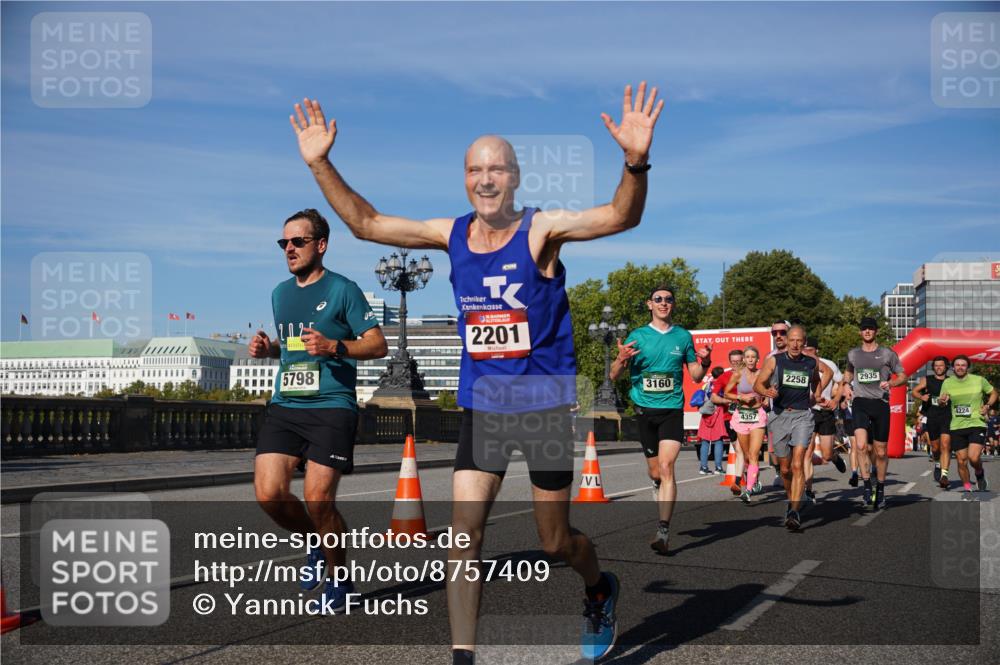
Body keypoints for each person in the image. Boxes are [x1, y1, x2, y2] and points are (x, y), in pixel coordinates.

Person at [290, 82, 665, 663]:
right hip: (484, 404)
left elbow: (620, 216)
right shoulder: (451, 233)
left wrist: (634, 161)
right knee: (463, 540)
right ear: (465, 178)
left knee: (555, 540)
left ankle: (597, 587)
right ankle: (463, 655)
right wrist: (321, 163)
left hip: (541, 403)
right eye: (474, 170)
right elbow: (366, 223)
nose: (485, 179)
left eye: (497, 169)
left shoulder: (542, 229)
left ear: (514, 178)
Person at [251, 208, 388, 611]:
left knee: (318, 500)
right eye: (284, 243)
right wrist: (269, 350)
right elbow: (294, 347)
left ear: (321, 245)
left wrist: (335, 346)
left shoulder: (344, 289)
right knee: (269, 494)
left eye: (297, 242)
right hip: (286, 404)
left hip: (331, 406)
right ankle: (315, 541)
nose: (289, 249)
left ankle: (340, 580)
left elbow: (378, 345)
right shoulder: (280, 293)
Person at [611, 285, 712, 555]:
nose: (663, 303)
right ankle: (656, 483)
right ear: (649, 304)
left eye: (668, 300)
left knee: (667, 467)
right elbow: (613, 376)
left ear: (673, 305)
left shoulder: (683, 336)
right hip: (645, 411)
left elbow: (696, 376)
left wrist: (706, 360)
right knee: (655, 472)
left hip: (672, 410)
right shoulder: (638, 336)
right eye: (658, 299)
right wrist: (621, 359)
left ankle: (663, 531)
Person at [754, 325, 832, 530]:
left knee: (798, 463)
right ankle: (793, 500)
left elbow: (821, 377)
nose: (796, 345)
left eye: (800, 341)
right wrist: (766, 391)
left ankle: (794, 511)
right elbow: (758, 384)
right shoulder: (775, 361)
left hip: (802, 416)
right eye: (792, 340)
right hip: (779, 416)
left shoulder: (810, 362)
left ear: (804, 343)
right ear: (787, 342)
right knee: (785, 468)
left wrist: (816, 395)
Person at [840, 316, 908, 510]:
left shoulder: (887, 354)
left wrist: (892, 383)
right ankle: (867, 486)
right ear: (860, 332)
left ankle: (881, 487)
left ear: (876, 331)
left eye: (870, 328)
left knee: (880, 451)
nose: (867, 331)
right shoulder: (853, 354)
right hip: (860, 402)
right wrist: (845, 385)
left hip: (881, 404)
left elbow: (902, 375)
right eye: (864, 329)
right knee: (861, 446)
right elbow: (849, 372)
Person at [939, 355, 998, 500]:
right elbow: (942, 401)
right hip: (957, 426)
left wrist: (987, 405)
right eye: (957, 365)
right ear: (953, 368)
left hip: (976, 423)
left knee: (973, 457)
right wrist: (942, 401)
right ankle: (967, 488)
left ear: (968, 367)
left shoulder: (979, 380)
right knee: (961, 460)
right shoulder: (947, 382)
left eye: (963, 365)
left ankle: (979, 473)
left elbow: (994, 393)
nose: (960, 367)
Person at [802, 337, 846, 503]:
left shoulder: (829, 364)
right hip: (809, 411)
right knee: (808, 451)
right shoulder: (801, 365)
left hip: (826, 412)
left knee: (826, 454)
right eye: (805, 350)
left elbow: (841, 382)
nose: (807, 353)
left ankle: (835, 457)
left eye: (810, 350)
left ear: (817, 351)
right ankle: (809, 489)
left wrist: (835, 400)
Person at [724, 345, 768, 503]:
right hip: (741, 416)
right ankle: (753, 479)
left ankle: (748, 490)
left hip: (757, 416)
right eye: (747, 356)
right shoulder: (738, 374)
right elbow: (727, 392)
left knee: (754, 454)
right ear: (744, 359)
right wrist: (740, 398)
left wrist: (768, 398)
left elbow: (769, 390)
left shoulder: (763, 374)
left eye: (753, 357)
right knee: (747, 456)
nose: (750, 359)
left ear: (757, 359)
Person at [912, 356, 951, 485]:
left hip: (947, 416)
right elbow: (914, 391)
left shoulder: (951, 382)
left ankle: (944, 475)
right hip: (933, 417)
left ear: (946, 367)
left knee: (945, 445)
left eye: (941, 365)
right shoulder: (927, 380)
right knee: (935, 448)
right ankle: (938, 464)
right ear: (933, 367)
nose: (938, 368)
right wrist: (921, 396)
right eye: (936, 365)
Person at [713, 349, 746, 492]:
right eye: (733, 362)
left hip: (750, 417)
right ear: (730, 362)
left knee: (749, 451)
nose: (736, 364)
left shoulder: (752, 375)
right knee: (739, 450)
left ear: (743, 360)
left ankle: (747, 480)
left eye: (739, 361)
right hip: (730, 417)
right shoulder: (724, 377)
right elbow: (713, 397)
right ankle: (739, 482)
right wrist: (726, 401)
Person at [766, 320, 790, 487]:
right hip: (776, 410)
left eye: (782, 332)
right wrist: (765, 395)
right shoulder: (770, 357)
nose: (778, 336)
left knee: (797, 451)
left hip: (799, 410)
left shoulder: (799, 354)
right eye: (775, 333)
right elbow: (763, 381)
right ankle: (779, 472)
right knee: (775, 452)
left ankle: (802, 487)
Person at [696, 367, 728, 475]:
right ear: (722, 375)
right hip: (717, 411)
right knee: (718, 440)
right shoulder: (721, 385)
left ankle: (703, 467)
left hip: (705, 413)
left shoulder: (707, 385)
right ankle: (718, 467)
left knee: (705, 441)